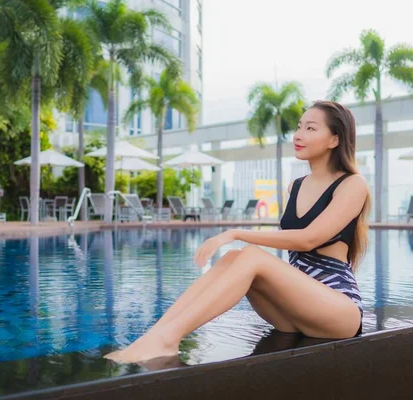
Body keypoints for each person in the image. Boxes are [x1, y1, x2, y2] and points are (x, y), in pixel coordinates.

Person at [105, 100, 371, 363]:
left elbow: (309, 238)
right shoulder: (296, 187)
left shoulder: (352, 185)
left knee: (251, 255)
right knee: (233, 258)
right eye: (299, 127)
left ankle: (167, 340)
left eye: (311, 129)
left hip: (338, 309)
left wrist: (235, 232)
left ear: (334, 139)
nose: (298, 135)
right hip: (294, 312)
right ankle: (155, 336)